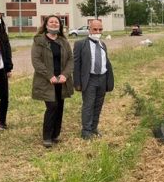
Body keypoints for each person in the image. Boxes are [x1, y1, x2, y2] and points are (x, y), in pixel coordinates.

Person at [31, 15, 74, 148]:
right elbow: (36, 61)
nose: (54, 24)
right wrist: (49, 75)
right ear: (46, 24)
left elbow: (70, 59)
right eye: (51, 21)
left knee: (60, 106)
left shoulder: (63, 41)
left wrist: (65, 75)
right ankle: (47, 137)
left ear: (60, 26)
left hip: (61, 81)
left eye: (57, 22)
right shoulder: (39, 41)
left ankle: (55, 135)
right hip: (46, 81)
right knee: (52, 106)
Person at [74, 19, 115, 139]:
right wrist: (77, 83)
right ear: (89, 29)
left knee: (98, 104)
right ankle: (86, 131)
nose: (97, 32)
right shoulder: (80, 44)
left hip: (102, 78)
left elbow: (105, 62)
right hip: (89, 79)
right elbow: (76, 65)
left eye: (100, 29)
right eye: (95, 29)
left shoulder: (103, 44)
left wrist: (108, 80)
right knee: (88, 105)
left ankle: (94, 128)